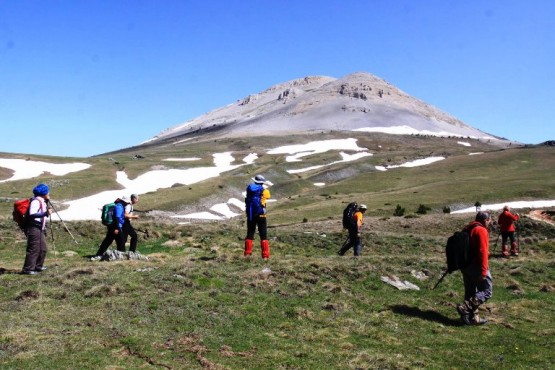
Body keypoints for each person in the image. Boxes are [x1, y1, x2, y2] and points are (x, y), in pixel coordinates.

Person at [456, 211, 493, 326]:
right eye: (489, 221)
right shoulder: (481, 230)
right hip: (476, 266)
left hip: (465, 266)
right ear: (485, 220)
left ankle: (473, 319)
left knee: (470, 292)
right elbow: (482, 252)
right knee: (487, 291)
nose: (490, 223)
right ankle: (464, 307)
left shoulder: (467, 228)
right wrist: (483, 271)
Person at [21, 183, 53, 275]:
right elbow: (32, 214)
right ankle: (28, 269)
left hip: (39, 227)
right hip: (34, 227)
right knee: (34, 248)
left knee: (43, 248)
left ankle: (38, 266)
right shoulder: (36, 201)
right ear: (43, 192)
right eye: (47, 191)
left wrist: (47, 202)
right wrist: (46, 213)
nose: (48, 193)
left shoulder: (42, 200)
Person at [244, 175, 273, 260]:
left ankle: (247, 254)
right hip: (261, 214)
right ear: (262, 182)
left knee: (250, 233)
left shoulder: (249, 188)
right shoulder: (265, 191)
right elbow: (268, 196)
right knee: (263, 234)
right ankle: (265, 256)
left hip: (251, 213)